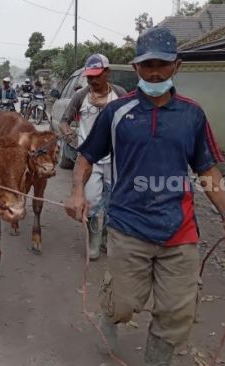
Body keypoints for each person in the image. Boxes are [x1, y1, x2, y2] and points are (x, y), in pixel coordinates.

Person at [64, 28, 225, 365]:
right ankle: (110, 314)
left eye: (162, 64)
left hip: (179, 230)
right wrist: (78, 192)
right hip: (127, 226)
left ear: (176, 66)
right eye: (147, 65)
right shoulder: (117, 112)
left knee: (176, 314)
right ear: (136, 68)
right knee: (122, 305)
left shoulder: (192, 115)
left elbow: (207, 170)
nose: (155, 72)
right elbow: (86, 157)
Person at [59, 54, 127, 260]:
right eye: (89, 77)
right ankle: (94, 241)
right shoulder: (81, 97)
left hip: (116, 157)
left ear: (107, 73)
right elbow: (64, 121)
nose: (92, 80)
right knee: (92, 201)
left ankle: (108, 236)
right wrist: (72, 139)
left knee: (115, 199)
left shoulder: (120, 94)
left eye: (97, 76)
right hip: (90, 159)